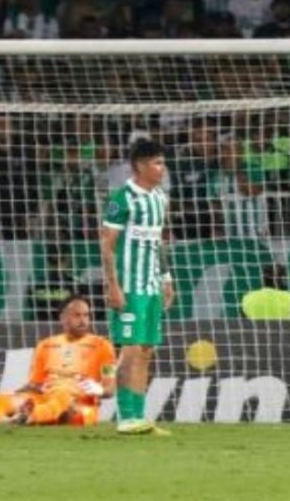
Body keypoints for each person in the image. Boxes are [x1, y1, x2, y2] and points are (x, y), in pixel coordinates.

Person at [0, 296, 115, 427]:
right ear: (63, 318)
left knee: (63, 396)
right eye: (77, 315)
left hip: (81, 407)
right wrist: (15, 396)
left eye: (86, 315)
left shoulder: (103, 346)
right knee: (4, 400)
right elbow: (35, 384)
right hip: (45, 398)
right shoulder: (46, 345)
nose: (83, 320)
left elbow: (110, 389)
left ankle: (29, 416)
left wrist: (99, 389)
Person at [99, 139, 173, 435]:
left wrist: (166, 278)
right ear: (139, 166)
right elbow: (107, 245)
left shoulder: (160, 198)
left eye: (163, 162)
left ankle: (139, 418)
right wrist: (113, 286)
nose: (162, 168)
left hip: (152, 285)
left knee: (145, 350)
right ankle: (125, 416)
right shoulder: (123, 198)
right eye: (156, 163)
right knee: (129, 350)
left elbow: (159, 242)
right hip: (129, 287)